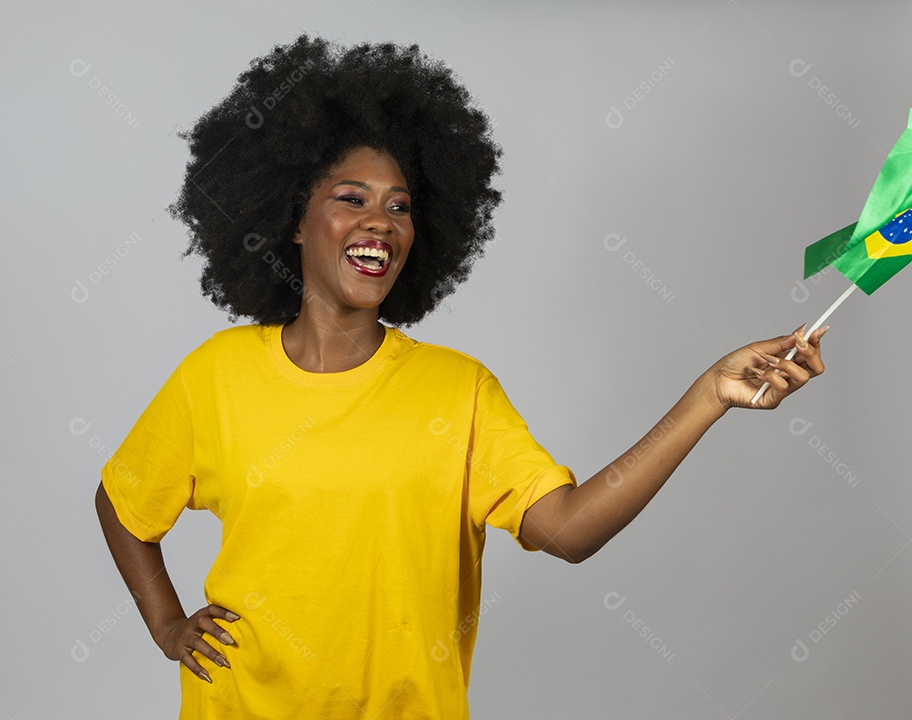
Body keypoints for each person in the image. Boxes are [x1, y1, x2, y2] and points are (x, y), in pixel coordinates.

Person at [94, 34, 826, 719]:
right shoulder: (216, 375)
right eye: (352, 198)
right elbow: (124, 501)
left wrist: (707, 396)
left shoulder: (458, 391)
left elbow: (569, 531)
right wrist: (166, 622)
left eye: (401, 207)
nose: (380, 221)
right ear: (292, 218)